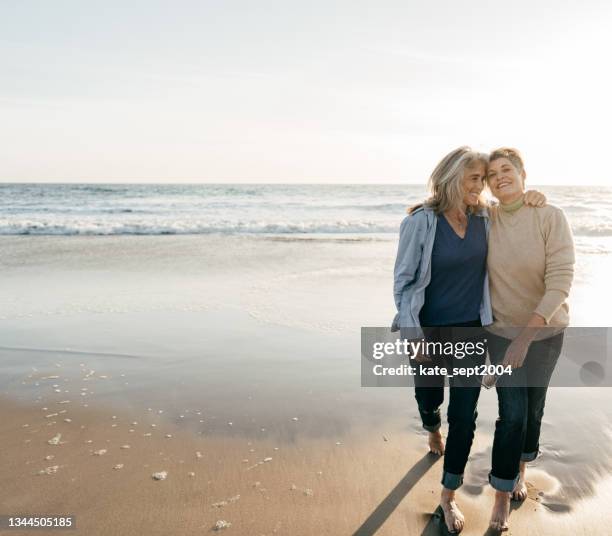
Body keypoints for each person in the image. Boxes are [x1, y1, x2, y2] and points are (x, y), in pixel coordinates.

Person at [392, 146, 545, 533]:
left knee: (465, 416)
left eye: (484, 178)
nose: (483, 186)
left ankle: (447, 495)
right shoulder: (420, 222)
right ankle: (431, 430)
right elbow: (404, 282)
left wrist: (532, 196)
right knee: (430, 398)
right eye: (475, 178)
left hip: (472, 331)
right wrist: (413, 335)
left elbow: (516, 216)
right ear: (452, 178)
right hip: (427, 329)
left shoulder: (485, 218)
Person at [484, 148, 575, 532]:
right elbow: (453, 201)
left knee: (534, 408)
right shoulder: (484, 219)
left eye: (507, 169)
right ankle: (502, 495)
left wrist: (528, 336)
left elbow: (561, 278)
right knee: (513, 413)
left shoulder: (549, 216)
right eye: (492, 174)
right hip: (500, 333)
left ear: (523, 174)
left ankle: (521, 469)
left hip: (546, 331)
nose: (499, 176)